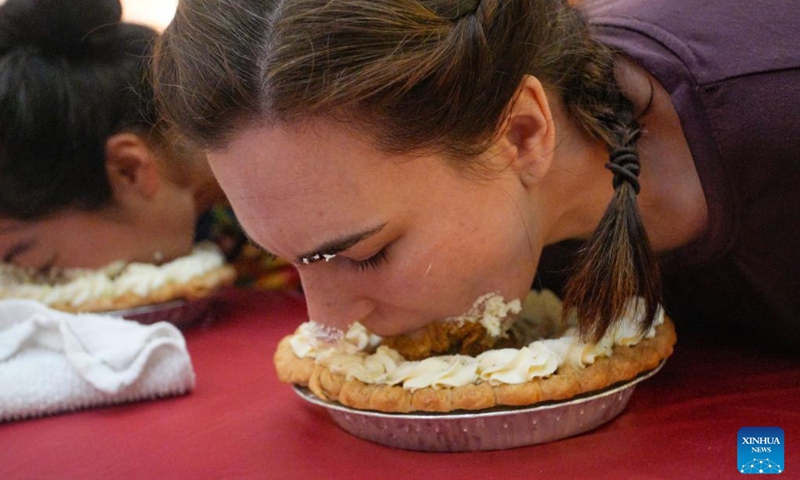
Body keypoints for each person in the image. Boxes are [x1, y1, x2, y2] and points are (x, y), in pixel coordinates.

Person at [151, 0, 800, 347]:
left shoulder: (771, 109)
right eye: (292, 263)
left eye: (368, 255)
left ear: (523, 133)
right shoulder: (503, 230)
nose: (326, 325)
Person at [0, 0, 298, 291]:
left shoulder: (305, 147)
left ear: (129, 170)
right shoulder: (201, 218)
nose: (22, 285)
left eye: (39, 268)